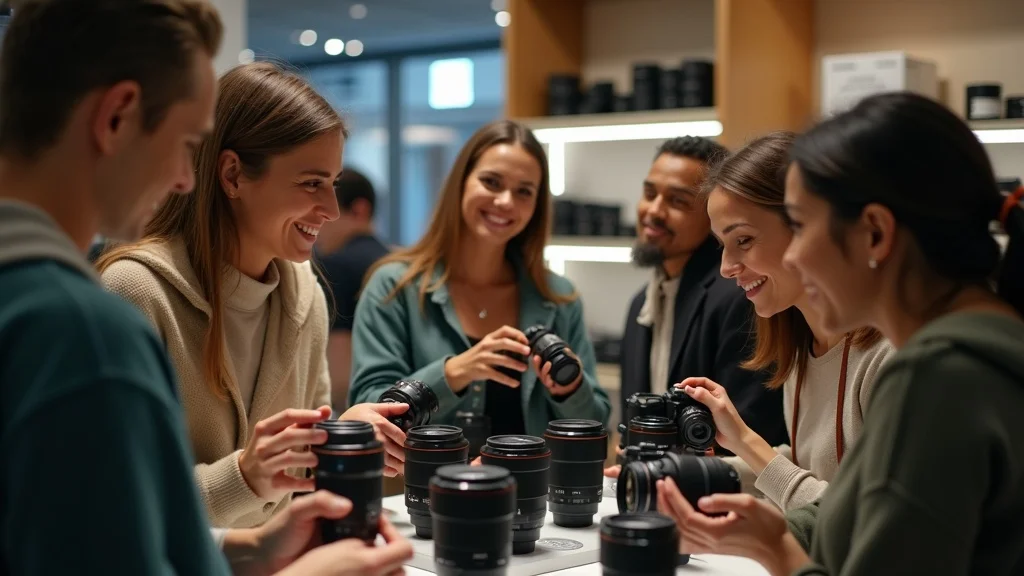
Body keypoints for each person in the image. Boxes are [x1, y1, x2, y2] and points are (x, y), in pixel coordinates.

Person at [0, 0, 411, 574]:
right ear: (117, 117)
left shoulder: (304, 294)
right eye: (185, 143)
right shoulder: (90, 323)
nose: (181, 178)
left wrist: (255, 546)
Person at [657, 93, 1024, 575]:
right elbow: (857, 514)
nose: (794, 255)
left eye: (803, 226)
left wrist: (778, 551)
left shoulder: (938, 376)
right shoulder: (973, 349)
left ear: (874, 232)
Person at [96, 61, 408, 529]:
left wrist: (343, 434)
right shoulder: (134, 293)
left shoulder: (306, 295)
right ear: (233, 174)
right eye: (312, 183)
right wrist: (241, 477)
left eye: (334, 184)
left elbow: (295, 480)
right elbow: (111, 503)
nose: (331, 209)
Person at [670, 132, 893, 512]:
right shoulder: (800, 345)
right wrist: (683, 474)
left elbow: (859, 523)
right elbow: (806, 465)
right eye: (722, 246)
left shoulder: (888, 358)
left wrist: (744, 439)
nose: (726, 268)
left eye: (743, 240)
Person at [349, 120, 612, 437]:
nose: (505, 201)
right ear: (461, 182)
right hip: (423, 485)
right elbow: (368, 408)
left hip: (534, 486)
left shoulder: (559, 297)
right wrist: (454, 373)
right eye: (491, 182)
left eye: (524, 191)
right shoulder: (393, 287)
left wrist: (568, 389)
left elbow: (596, 424)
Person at [621, 136, 787, 449]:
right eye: (649, 193)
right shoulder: (639, 304)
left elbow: (752, 432)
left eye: (678, 201)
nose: (654, 211)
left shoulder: (744, 297)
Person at [314, 167, 390, 411]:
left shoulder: (335, 266)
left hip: (359, 408)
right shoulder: (397, 264)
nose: (316, 221)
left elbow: (339, 366)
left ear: (359, 210)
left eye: (326, 211)